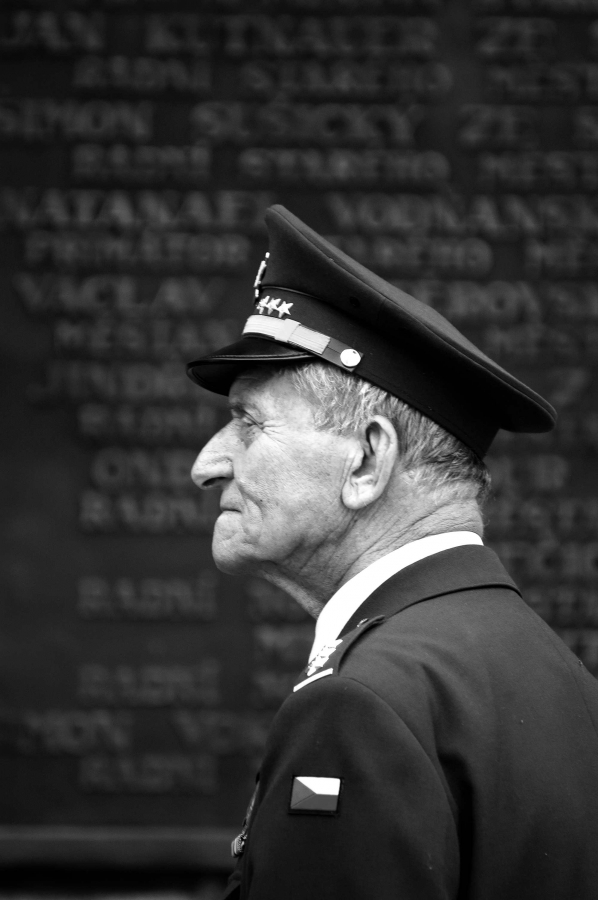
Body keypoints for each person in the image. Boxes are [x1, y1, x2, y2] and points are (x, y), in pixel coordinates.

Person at [187, 205, 598, 899]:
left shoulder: (359, 704)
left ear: (367, 460)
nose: (206, 466)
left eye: (248, 423)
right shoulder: (565, 682)